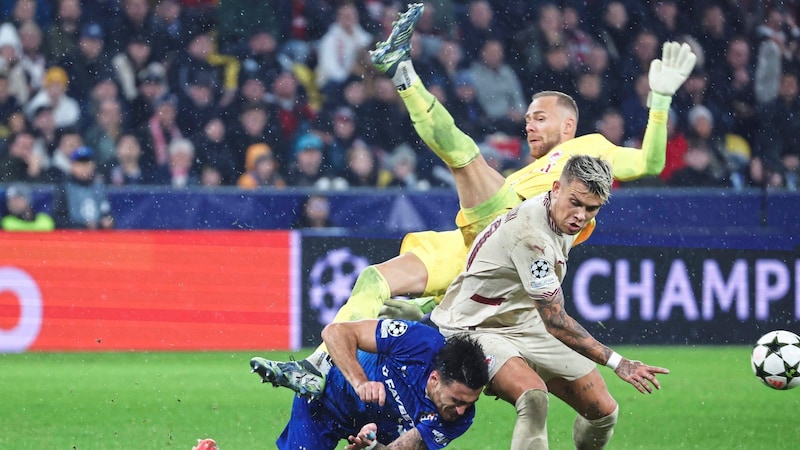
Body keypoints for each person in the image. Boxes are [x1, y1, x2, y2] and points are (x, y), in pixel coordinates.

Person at [256, 2, 695, 408]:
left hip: (510, 232)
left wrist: (659, 101)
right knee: (374, 280)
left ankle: (401, 70)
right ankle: (317, 367)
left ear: (568, 123)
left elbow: (651, 162)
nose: (529, 124)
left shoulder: (588, 151)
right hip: (470, 242)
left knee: (463, 154)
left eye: (539, 117)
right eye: (526, 118)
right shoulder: (532, 170)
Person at [431, 154, 668, 449]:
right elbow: (555, 321)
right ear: (556, 189)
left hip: (523, 320)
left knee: (603, 412)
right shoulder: (532, 238)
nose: (580, 215)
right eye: (575, 202)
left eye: (591, 208)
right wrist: (618, 362)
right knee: (533, 397)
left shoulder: (560, 215)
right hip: (476, 327)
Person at [250, 319, 488, 449]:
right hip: (326, 401)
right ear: (434, 379)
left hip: (380, 432)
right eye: (457, 400)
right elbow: (336, 332)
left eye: (469, 403)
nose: (462, 411)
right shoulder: (418, 342)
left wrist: (371, 447)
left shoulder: (458, 418)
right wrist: (360, 382)